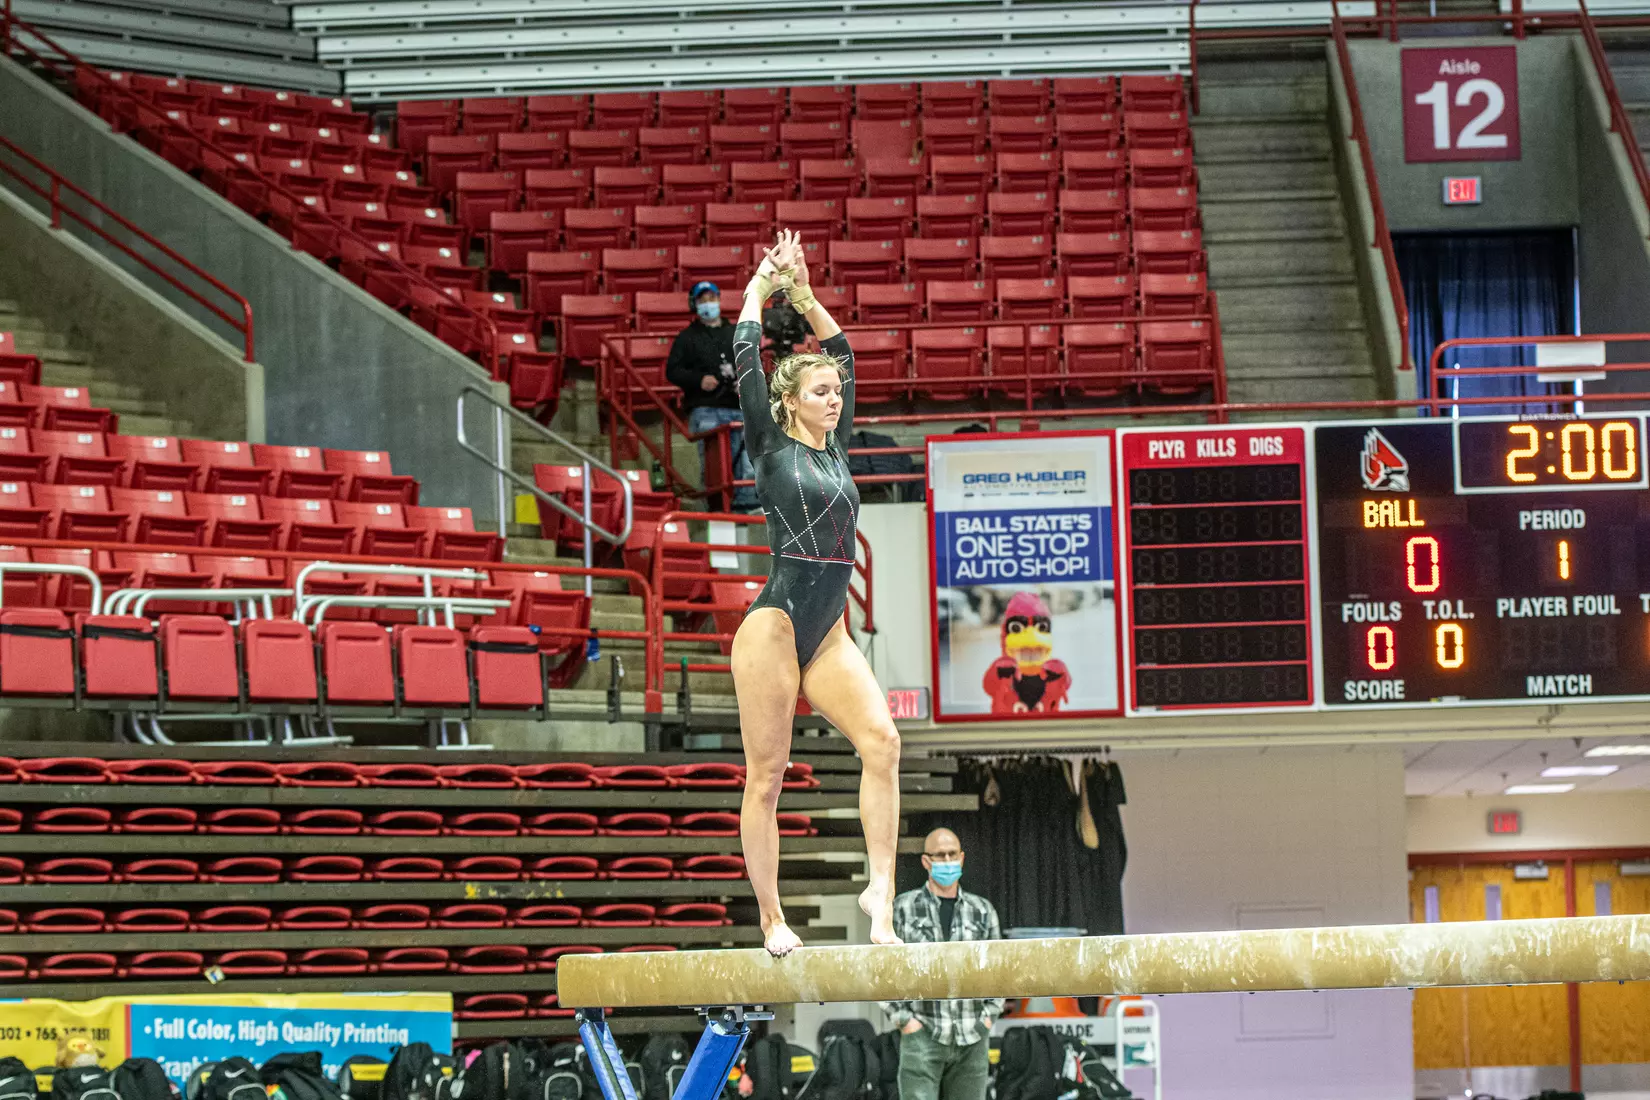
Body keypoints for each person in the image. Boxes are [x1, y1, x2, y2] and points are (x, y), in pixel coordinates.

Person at [731, 229, 902, 957]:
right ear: (790, 402)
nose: (835, 398)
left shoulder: (834, 447)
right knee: (767, 777)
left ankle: (881, 897)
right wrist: (759, 289)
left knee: (884, 742)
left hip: (828, 633)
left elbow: (844, 352)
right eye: (822, 392)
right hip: (773, 628)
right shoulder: (770, 443)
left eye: (837, 392)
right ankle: (772, 917)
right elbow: (745, 355)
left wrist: (803, 294)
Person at [882, 828, 1004, 1100]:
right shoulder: (903, 908)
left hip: (972, 1033)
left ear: (962, 858)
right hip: (923, 1031)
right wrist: (903, 1019)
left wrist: (988, 1017)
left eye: (952, 854)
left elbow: (999, 972)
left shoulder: (982, 910)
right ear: (926, 861)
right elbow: (883, 972)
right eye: (940, 855)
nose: (947, 860)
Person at [665, 280, 756, 510]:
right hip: (705, 409)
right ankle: (716, 509)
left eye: (712, 298)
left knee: (747, 461)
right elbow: (672, 371)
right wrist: (698, 380)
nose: (708, 303)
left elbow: (751, 364)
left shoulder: (735, 332)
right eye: (703, 300)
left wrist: (744, 382)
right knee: (714, 464)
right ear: (694, 304)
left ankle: (744, 507)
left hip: (737, 407)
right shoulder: (686, 337)